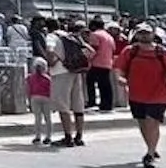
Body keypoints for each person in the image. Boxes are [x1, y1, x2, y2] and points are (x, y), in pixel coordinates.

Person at [114, 23, 166, 168]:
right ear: (136, 35)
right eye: (141, 33)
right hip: (136, 95)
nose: (144, 35)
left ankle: (149, 154)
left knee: (152, 122)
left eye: (147, 33)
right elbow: (118, 68)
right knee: (143, 124)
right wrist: (120, 78)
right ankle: (152, 147)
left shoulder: (163, 52)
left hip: (159, 95)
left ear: (153, 34)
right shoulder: (130, 51)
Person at [46, 19, 88, 148]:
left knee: (62, 104)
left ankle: (68, 137)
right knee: (77, 104)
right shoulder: (69, 36)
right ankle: (79, 136)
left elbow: (49, 49)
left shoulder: (51, 36)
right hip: (75, 71)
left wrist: (52, 61)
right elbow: (87, 50)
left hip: (60, 72)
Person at [85, 17, 117, 115]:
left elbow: (93, 49)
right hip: (107, 62)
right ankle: (107, 104)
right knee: (105, 85)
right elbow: (114, 48)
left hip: (97, 62)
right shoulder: (109, 36)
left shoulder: (95, 35)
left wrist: (87, 58)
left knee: (90, 81)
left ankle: (92, 101)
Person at [25, 56, 53, 146]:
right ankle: (48, 137)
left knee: (37, 119)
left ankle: (37, 136)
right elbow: (52, 91)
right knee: (48, 118)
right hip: (46, 98)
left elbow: (28, 90)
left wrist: (28, 101)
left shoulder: (29, 78)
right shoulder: (48, 79)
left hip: (34, 97)